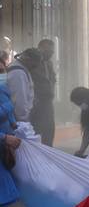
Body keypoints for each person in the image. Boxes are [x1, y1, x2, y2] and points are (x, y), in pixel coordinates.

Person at [0, 59, 22, 206]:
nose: (2, 74)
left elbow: (8, 114)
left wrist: (14, 125)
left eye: (2, 71)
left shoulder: (3, 89)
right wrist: (4, 138)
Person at [30, 39, 57, 146]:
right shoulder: (32, 61)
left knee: (49, 128)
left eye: (52, 52)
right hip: (35, 101)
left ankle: (48, 150)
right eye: (48, 52)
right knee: (35, 128)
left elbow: (52, 79)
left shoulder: (49, 63)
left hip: (48, 101)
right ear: (40, 48)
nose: (50, 54)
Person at [7, 48, 42, 122]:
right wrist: (23, 120)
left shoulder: (21, 69)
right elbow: (19, 100)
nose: (35, 68)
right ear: (27, 59)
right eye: (34, 65)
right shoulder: (18, 73)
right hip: (18, 120)